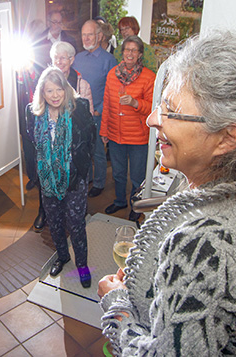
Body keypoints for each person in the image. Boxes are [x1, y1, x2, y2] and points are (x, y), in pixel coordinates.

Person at [98, 29, 236, 355]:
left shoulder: (206, 242)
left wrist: (117, 305)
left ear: (227, 138)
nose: (154, 119)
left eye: (169, 109)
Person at [26, 67, 96, 288]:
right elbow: (32, 142)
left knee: (76, 225)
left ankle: (82, 265)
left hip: (74, 179)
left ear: (66, 90)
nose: (55, 95)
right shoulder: (32, 112)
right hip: (48, 180)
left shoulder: (80, 108)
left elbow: (90, 143)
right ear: (42, 93)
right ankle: (62, 256)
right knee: (54, 223)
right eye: (49, 91)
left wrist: (81, 172)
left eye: (59, 89)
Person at [101, 35, 155, 222]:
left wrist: (135, 103)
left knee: (138, 176)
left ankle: (136, 204)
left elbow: (152, 108)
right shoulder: (112, 74)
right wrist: (104, 131)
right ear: (122, 52)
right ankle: (119, 201)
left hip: (139, 137)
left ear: (140, 54)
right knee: (117, 173)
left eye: (134, 50)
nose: (130, 53)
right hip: (116, 134)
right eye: (127, 49)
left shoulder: (149, 77)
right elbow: (107, 104)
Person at [74, 20, 117, 198]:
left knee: (98, 151)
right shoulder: (77, 58)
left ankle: (99, 182)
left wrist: (99, 109)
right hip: (79, 115)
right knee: (83, 149)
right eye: (84, 34)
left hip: (99, 114)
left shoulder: (109, 60)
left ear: (99, 36)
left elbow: (113, 89)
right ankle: (88, 178)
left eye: (90, 34)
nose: (86, 38)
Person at [33, 10, 77, 78]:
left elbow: (73, 64)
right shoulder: (39, 41)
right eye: (55, 22)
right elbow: (36, 65)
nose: (57, 25)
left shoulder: (70, 41)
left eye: (60, 22)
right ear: (48, 23)